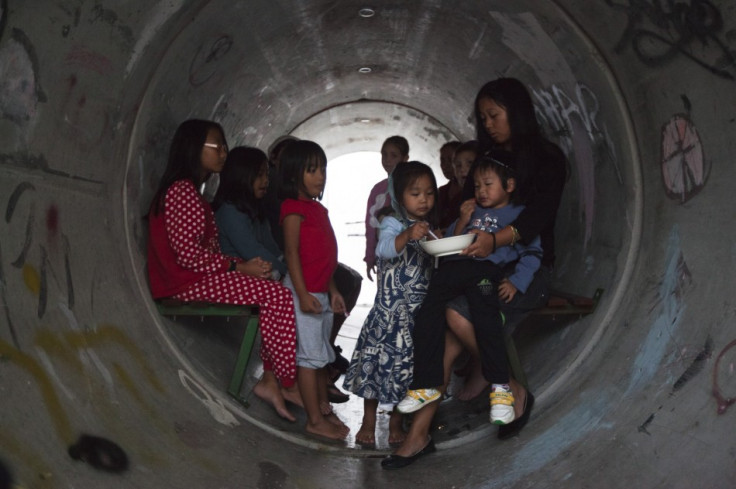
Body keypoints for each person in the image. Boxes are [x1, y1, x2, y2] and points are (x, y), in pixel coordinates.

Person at [384, 77, 567, 469]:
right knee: (447, 331)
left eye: (494, 115)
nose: (487, 125)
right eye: (482, 118)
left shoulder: (548, 160)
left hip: (523, 270)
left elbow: (537, 220)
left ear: (516, 113)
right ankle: (427, 431)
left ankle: (429, 429)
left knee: (451, 324)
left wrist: (494, 241)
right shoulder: (485, 158)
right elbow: (465, 215)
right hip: (479, 267)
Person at [147, 119, 301, 422]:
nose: (223, 152)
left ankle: (273, 380)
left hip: (195, 276)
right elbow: (188, 254)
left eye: (224, 145)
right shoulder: (182, 191)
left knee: (276, 293)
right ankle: (286, 382)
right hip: (183, 282)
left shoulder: (193, 191)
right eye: (216, 145)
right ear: (194, 149)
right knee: (278, 297)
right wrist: (237, 266)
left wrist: (245, 268)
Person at [395, 152, 542, 427]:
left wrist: (516, 282)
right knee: (426, 312)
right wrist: (462, 220)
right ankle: (426, 384)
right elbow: (450, 242)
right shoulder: (473, 211)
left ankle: (501, 389)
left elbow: (533, 253)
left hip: (487, 273)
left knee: (485, 318)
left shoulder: (518, 216)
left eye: (488, 185)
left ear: (509, 186)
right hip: (455, 270)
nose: (481, 191)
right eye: (477, 186)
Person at [343, 161, 437, 447]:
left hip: (414, 316)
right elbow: (383, 249)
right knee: (375, 369)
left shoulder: (427, 228)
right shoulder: (392, 222)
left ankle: (395, 422)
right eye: (416, 193)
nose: (424, 199)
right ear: (398, 194)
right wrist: (406, 235)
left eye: (430, 193)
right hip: (387, 316)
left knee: (405, 372)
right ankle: (368, 421)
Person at [278, 139, 350, 440]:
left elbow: (324, 259)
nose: (320, 175)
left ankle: (322, 409)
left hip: (320, 291)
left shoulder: (318, 209)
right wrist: (303, 294)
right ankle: (313, 421)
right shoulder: (292, 208)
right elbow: (292, 253)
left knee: (322, 355)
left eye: (322, 168)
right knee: (309, 359)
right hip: (302, 293)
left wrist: (332, 290)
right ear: (294, 174)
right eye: (311, 170)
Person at [364, 136, 410, 282]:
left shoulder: (412, 185)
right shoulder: (378, 190)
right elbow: (370, 225)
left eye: (394, 155)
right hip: (384, 255)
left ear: (405, 158)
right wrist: (370, 256)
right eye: (384, 154)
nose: (387, 160)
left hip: (410, 255)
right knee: (387, 295)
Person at [437, 141, 462, 230]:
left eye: (450, 160)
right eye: (442, 160)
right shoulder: (441, 191)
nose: (445, 165)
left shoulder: (472, 191)